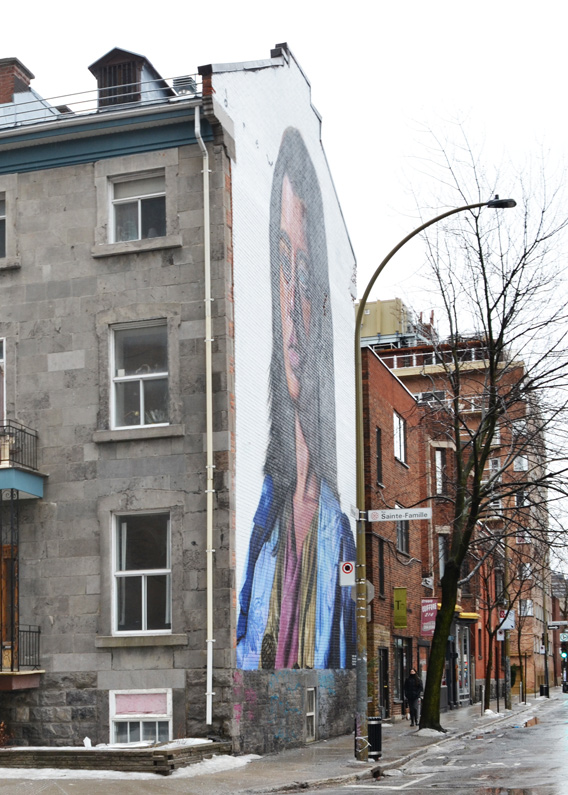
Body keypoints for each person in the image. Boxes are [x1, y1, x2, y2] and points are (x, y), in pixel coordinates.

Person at [236, 127, 356, 671]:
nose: (292, 300)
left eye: (304, 273)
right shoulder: (261, 520)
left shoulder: (340, 537)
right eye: (281, 266)